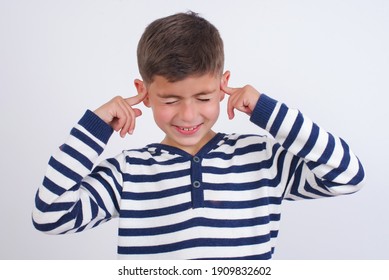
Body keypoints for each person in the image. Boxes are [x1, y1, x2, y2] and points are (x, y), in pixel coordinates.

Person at [32, 11, 365, 260]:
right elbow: (50, 216)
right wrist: (95, 127)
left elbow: (347, 175)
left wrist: (266, 110)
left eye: (204, 98)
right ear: (144, 93)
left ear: (223, 86)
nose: (189, 115)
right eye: (170, 99)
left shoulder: (262, 160)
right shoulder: (128, 173)